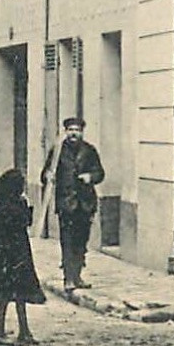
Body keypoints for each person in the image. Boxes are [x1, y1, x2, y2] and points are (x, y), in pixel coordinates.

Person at [0, 168, 44, 346]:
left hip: (16, 255)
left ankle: (24, 331)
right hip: (9, 257)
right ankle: (0, 332)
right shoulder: (7, 205)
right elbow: (21, 223)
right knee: (7, 296)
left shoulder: (6, 204)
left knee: (18, 295)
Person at [41, 116, 105, 292]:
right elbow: (45, 174)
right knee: (67, 241)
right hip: (66, 203)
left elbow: (100, 173)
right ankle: (68, 278)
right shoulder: (57, 152)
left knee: (81, 241)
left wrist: (90, 177)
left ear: (82, 132)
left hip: (85, 203)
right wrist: (48, 175)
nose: (73, 133)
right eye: (70, 130)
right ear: (65, 132)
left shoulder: (90, 151)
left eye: (77, 130)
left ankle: (77, 275)